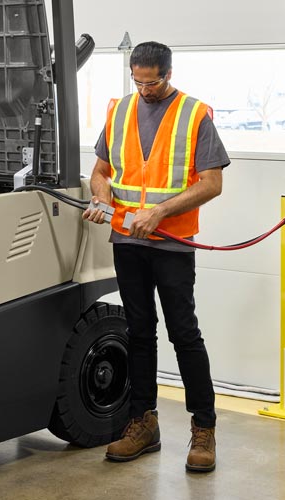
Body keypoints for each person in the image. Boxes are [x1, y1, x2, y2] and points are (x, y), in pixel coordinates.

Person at [82, 41, 230, 472]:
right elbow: (101, 171)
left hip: (171, 242)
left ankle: (204, 429)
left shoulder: (194, 114)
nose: (145, 89)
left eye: (153, 81)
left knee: (184, 332)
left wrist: (161, 211)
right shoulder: (120, 110)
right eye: (138, 81)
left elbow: (212, 182)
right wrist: (101, 195)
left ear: (169, 73)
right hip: (127, 239)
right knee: (138, 332)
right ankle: (142, 422)